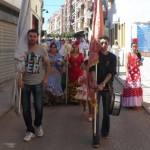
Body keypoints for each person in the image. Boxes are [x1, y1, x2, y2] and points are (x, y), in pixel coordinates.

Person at [18, 29, 50, 141]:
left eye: (34, 36)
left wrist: (46, 78)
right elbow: (18, 65)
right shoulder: (22, 50)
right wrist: (19, 79)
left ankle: (38, 125)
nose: (32, 38)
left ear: (37, 37)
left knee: (39, 107)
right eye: (30, 36)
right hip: (25, 83)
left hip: (37, 83)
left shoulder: (42, 50)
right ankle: (29, 130)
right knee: (26, 109)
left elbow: (47, 64)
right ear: (27, 37)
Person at [89, 35, 117, 148]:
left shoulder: (113, 57)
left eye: (105, 42)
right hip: (96, 89)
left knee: (106, 112)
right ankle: (96, 138)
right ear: (99, 44)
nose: (103, 45)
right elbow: (92, 69)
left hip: (106, 88)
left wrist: (103, 84)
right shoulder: (95, 56)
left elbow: (111, 73)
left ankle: (105, 131)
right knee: (96, 112)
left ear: (109, 43)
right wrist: (95, 82)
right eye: (101, 43)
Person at [122, 38, 143, 108]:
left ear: (137, 47)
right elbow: (126, 64)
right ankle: (129, 104)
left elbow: (139, 64)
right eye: (133, 46)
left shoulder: (139, 54)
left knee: (136, 87)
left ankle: (135, 104)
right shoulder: (128, 54)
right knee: (130, 87)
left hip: (136, 73)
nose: (135, 48)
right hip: (130, 73)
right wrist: (127, 73)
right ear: (131, 47)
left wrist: (140, 63)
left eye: (136, 46)